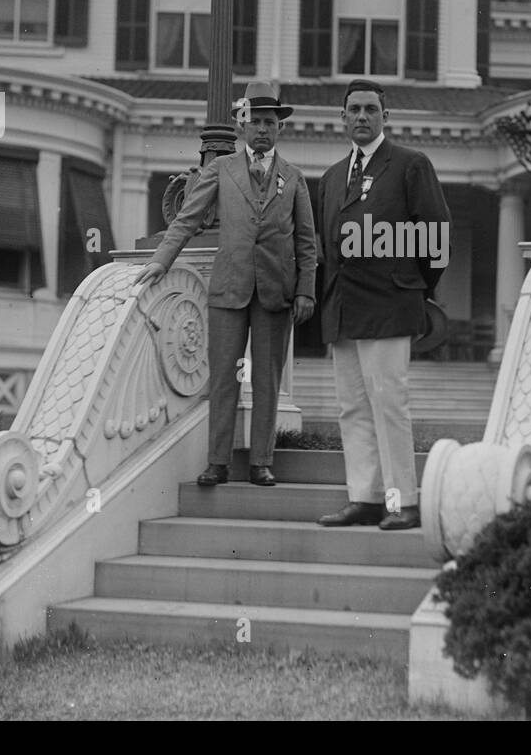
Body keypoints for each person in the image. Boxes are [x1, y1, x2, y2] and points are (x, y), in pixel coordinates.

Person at [135, 82, 316, 488]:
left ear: (280, 129)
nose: (263, 129)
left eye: (271, 122)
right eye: (256, 121)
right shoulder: (221, 169)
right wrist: (161, 260)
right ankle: (217, 462)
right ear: (242, 125)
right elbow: (187, 219)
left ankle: (261, 462)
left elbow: (307, 241)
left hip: (275, 291)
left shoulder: (294, 177)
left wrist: (306, 289)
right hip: (229, 289)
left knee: (267, 378)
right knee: (223, 378)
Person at [315, 79, 451, 531]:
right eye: (353, 109)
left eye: (371, 109)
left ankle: (404, 502)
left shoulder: (411, 165)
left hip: (391, 304)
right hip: (345, 307)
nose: (361, 117)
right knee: (351, 407)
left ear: (385, 117)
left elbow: (436, 235)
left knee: (389, 403)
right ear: (342, 117)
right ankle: (366, 498)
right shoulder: (333, 178)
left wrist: (412, 285)